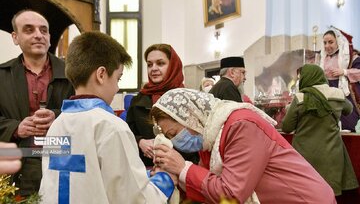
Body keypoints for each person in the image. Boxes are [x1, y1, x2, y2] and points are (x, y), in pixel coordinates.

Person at [39, 32, 176, 203]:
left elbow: (89, 177)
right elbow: (135, 198)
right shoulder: (111, 126)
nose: (117, 88)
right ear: (101, 74)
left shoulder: (57, 124)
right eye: (118, 78)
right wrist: (166, 179)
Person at [150, 88, 336, 204]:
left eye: (174, 134)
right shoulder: (209, 139)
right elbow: (209, 188)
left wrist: (183, 168)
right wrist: (176, 178)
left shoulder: (241, 125)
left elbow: (230, 194)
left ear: (191, 117)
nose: (176, 142)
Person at [0, 9, 74, 196]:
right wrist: (16, 128)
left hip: (61, 159)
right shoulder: (1, 75)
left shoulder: (72, 74)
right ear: (15, 37)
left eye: (43, 30)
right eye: (29, 29)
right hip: (15, 161)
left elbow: (87, 112)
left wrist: (56, 117)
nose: (38, 35)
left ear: (49, 37)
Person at [282, 64, 358, 196]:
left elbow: (287, 127)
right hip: (332, 156)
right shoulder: (337, 94)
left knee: (308, 195)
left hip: (305, 158)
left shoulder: (300, 98)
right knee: (328, 195)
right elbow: (349, 109)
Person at [126, 43, 198, 167]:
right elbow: (128, 133)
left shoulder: (188, 98)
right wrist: (140, 141)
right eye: (149, 64)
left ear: (172, 66)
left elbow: (199, 141)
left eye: (160, 63)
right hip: (148, 169)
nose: (153, 68)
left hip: (183, 169)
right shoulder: (138, 100)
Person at [320, 27, 360, 131]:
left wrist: (345, 72)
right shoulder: (322, 58)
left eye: (330, 42)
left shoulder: (351, 57)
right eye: (325, 43)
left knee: (348, 125)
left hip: (346, 95)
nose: (327, 46)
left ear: (338, 42)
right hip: (328, 96)